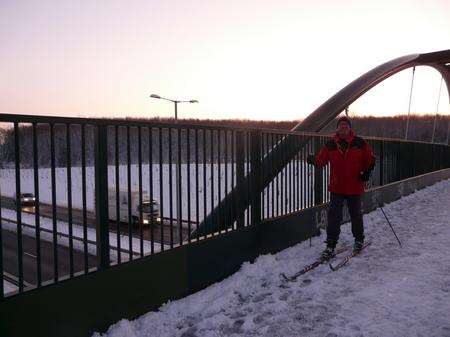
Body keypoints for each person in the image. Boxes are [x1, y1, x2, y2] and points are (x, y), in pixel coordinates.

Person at [306, 116, 375, 260]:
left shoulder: (359, 143)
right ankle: (330, 245)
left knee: (355, 214)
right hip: (337, 186)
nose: (343, 127)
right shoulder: (330, 144)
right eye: (341, 125)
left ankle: (359, 240)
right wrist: (313, 160)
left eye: (346, 125)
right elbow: (321, 161)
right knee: (333, 216)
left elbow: (370, 159)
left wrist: (366, 173)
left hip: (354, 186)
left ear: (350, 128)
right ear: (337, 128)